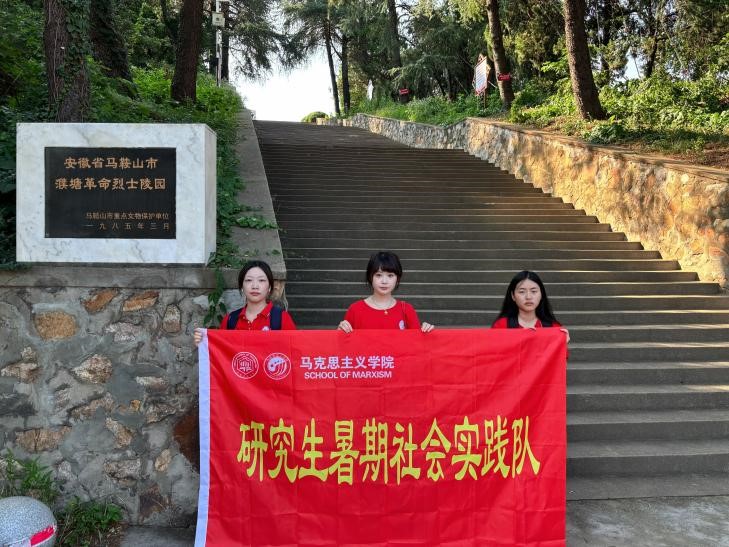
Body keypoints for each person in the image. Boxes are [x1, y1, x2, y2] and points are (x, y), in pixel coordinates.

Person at [194, 260, 295, 346]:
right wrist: (204, 343)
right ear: (242, 287)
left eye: (261, 280)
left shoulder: (281, 318)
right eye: (249, 280)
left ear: (269, 287)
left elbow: (294, 352)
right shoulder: (230, 320)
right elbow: (220, 353)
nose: (255, 286)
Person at [338, 251, 434, 333]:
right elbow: (344, 345)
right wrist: (340, 332)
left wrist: (426, 332)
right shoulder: (355, 310)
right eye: (378, 275)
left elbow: (417, 344)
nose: (384, 281)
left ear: (397, 278)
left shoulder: (406, 310)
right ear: (370, 277)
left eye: (390, 275)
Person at [491, 270, 570, 343]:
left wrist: (561, 342)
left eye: (533, 291)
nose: (528, 297)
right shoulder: (501, 325)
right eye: (522, 292)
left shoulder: (553, 327)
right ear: (513, 296)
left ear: (541, 294)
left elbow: (559, 354)